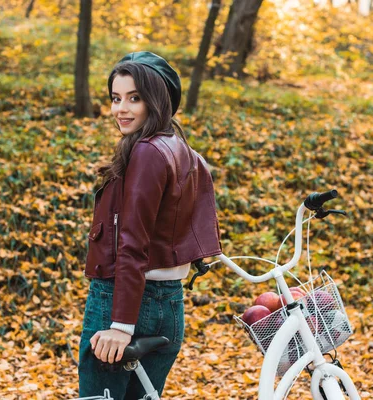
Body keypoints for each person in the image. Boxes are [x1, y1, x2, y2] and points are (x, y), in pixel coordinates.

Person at [78, 51, 222, 399]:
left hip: (124, 301)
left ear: (156, 100)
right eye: (116, 98)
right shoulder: (185, 152)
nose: (121, 109)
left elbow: (133, 243)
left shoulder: (146, 152)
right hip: (169, 306)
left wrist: (121, 325)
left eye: (134, 98)